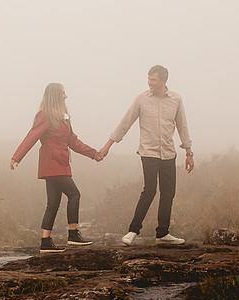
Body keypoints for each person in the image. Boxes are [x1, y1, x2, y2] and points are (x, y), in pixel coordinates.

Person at [99, 65, 193, 246]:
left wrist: (188, 153)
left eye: (153, 80)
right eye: (148, 79)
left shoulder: (176, 99)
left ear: (164, 80)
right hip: (148, 152)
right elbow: (125, 123)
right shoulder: (141, 99)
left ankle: (163, 233)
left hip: (168, 153)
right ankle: (133, 231)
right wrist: (107, 146)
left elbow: (182, 126)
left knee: (168, 193)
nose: (149, 82)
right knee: (149, 190)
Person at [10, 82, 100, 253]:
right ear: (55, 96)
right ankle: (73, 234)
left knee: (53, 203)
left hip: (61, 163)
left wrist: (93, 154)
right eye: (63, 93)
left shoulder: (64, 117)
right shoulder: (44, 114)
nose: (66, 96)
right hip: (52, 163)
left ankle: (45, 242)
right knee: (74, 194)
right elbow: (32, 136)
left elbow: (73, 141)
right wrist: (17, 157)